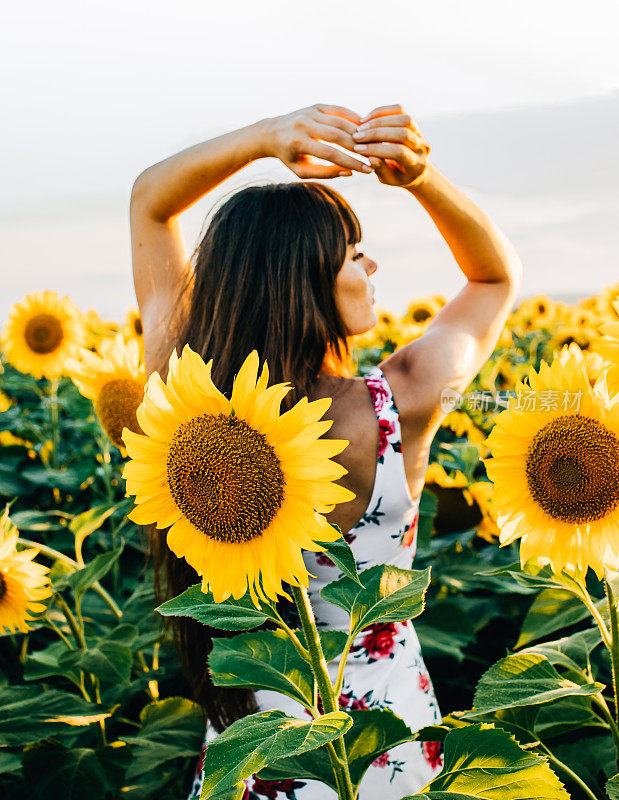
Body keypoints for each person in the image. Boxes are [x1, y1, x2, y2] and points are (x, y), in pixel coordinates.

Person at [129, 103, 522, 799]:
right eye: (352, 251)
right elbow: (493, 278)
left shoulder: (181, 395)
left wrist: (263, 138)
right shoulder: (401, 400)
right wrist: (419, 177)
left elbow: (151, 201)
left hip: (254, 760)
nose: (370, 264)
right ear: (305, 277)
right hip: (388, 753)